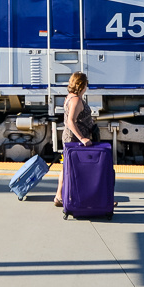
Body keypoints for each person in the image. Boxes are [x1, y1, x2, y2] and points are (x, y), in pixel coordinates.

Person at [54, 71, 97, 207]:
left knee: (67, 167)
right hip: (75, 139)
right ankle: (87, 198)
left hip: (70, 137)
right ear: (82, 85)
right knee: (80, 168)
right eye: (86, 84)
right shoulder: (76, 100)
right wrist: (82, 138)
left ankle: (59, 196)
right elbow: (70, 121)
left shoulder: (70, 97)